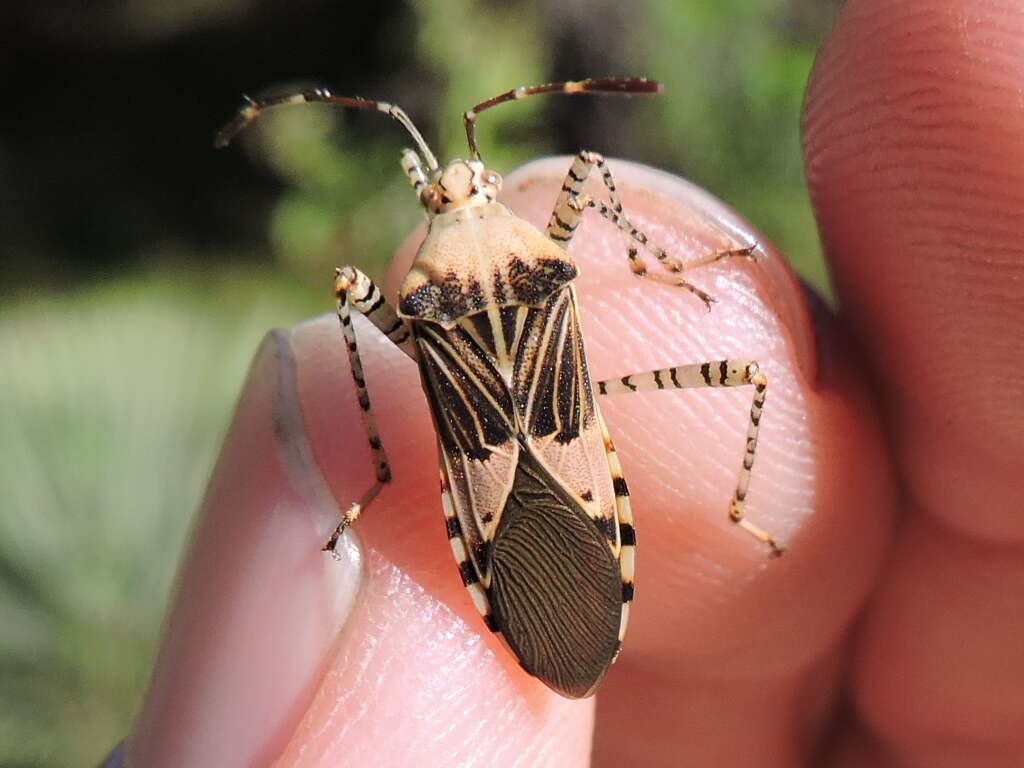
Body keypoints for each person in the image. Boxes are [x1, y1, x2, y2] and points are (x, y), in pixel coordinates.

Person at [107, 0, 1024, 764]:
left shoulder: (417, 299)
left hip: (489, 499)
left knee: (352, 297)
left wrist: (379, 467)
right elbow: (587, 176)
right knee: (741, 375)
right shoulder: (543, 265)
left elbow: (359, 315)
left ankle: (382, 473)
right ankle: (729, 494)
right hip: (579, 436)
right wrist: (651, 268)